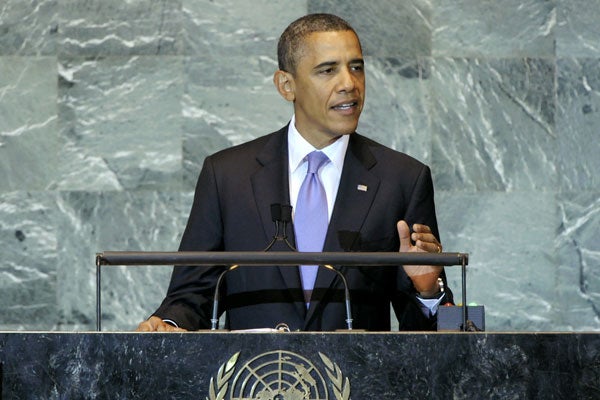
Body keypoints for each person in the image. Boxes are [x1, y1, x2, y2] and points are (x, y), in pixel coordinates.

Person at [137, 13, 452, 332]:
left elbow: (440, 330)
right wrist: (167, 323)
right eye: (328, 70)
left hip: (355, 380)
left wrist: (429, 290)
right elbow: (190, 295)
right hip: (253, 377)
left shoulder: (403, 179)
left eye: (356, 67)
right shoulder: (227, 175)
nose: (349, 84)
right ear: (287, 85)